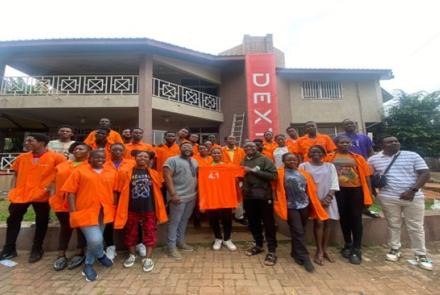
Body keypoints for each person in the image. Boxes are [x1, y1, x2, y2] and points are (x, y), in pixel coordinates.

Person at [368, 136, 432, 271]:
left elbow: (425, 173)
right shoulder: (373, 159)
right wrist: (374, 193)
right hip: (388, 198)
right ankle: (394, 248)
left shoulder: (412, 155)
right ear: (382, 145)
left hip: (413, 197)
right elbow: (370, 177)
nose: (394, 143)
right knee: (393, 224)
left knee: (415, 226)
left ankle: (421, 254)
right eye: (389, 142)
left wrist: (413, 190)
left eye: (396, 141)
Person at [0, 134, 65, 262]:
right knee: (12, 219)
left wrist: (50, 190)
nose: (26, 142)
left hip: (42, 195)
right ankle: (9, 248)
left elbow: (61, 175)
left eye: (30, 140)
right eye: (26, 140)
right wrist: (12, 191)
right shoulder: (22, 157)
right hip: (21, 195)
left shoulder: (57, 157)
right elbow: (16, 175)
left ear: (41, 143)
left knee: (41, 221)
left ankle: (37, 248)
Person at [62, 150, 116, 282]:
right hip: (85, 211)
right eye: (96, 157)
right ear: (89, 158)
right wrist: (74, 212)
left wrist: (112, 205)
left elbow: (114, 191)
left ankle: (88, 265)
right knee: (95, 240)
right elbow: (71, 193)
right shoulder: (80, 171)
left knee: (95, 240)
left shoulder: (111, 172)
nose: (100, 159)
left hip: (104, 211)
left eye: (103, 157)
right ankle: (101, 255)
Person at [274, 153, 329, 272]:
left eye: (294, 159)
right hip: (290, 206)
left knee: (300, 230)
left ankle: (295, 253)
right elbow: (274, 188)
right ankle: (305, 258)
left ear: (298, 161)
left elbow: (311, 189)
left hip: (304, 205)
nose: (292, 162)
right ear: (284, 161)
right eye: (289, 160)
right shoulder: (279, 173)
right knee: (298, 231)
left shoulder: (304, 173)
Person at [114, 150, 167, 272]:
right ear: (135, 158)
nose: (142, 158)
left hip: (149, 209)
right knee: (130, 233)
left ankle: (148, 258)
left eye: (145, 156)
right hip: (131, 208)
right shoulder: (125, 172)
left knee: (150, 232)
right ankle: (132, 255)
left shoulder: (154, 173)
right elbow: (118, 190)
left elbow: (159, 191)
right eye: (139, 156)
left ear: (149, 160)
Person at [326, 135, 373, 265]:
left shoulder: (358, 158)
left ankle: (357, 249)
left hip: (356, 190)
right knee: (343, 217)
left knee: (356, 218)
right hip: (338, 191)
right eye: (342, 142)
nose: (345, 144)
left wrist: (369, 192)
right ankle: (347, 244)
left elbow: (367, 176)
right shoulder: (330, 157)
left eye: (347, 142)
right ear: (337, 144)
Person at [50, 142, 89, 271]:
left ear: (87, 152)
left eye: (81, 148)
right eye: (76, 148)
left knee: (80, 228)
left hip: (81, 204)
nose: (77, 150)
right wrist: (52, 198)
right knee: (65, 228)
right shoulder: (61, 166)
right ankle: (61, 254)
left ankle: (79, 252)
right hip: (61, 204)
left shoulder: (90, 166)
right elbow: (53, 183)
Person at [299, 145, 340, 266]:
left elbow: (334, 182)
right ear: (309, 154)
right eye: (313, 151)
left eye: (319, 151)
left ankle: (325, 249)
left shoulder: (330, 166)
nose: (316, 153)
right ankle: (319, 250)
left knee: (327, 223)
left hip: (328, 198)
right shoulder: (303, 166)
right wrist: (314, 199)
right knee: (318, 222)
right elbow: (301, 183)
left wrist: (328, 197)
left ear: (323, 154)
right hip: (311, 198)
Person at [241, 141, 278, 266]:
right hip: (248, 196)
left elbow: (274, 176)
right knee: (253, 222)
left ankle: (272, 250)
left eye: (251, 146)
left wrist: (252, 170)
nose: (249, 148)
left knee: (268, 223)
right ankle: (258, 244)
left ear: (256, 147)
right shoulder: (243, 160)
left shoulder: (264, 159)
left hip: (264, 196)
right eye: (246, 146)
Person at [199, 147, 242, 251]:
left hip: (226, 198)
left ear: (222, 154)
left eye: (218, 153)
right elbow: (202, 184)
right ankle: (218, 238)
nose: (216, 154)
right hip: (212, 198)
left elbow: (242, 172)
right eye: (214, 153)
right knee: (213, 220)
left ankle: (227, 239)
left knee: (227, 219)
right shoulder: (205, 168)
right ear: (211, 154)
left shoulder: (229, 167)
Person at [336, 119, 378, 218]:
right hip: (347, 167)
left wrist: (371, 164)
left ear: (355, 125)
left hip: (363, 166)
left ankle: (366, 208)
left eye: (351, 123)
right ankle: (348, 209)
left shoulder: (364, 137)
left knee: (368, 188)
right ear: (343, 127)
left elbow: (371, 151)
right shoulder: (339, 138)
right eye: (346, 124)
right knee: (352, 189)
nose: (349, 125)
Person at [163, 142, 198, 260]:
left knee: (184, 220)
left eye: (189, 147)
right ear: (180, 148)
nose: (187, 148)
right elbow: (167, 177)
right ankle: (171, 247)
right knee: (174, 222)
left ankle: (180, 242)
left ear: (192, 149)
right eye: (184, 147)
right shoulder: (172, 160)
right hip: (178, 197)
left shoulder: (194, 161)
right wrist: (173, 194)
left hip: (191, 196)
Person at [102, 143, 135, 261]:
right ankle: (110, 247)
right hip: (108, 197)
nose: (117, 151)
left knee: (131, 221)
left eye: (120, 149)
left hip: (128, 197)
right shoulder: (104, 165)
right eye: (114, 149)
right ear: (110, 151)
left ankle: (136, 244)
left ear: (124, 151)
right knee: (109, 222)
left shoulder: (131, 163)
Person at [221, 135, 246, 225]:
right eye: (230, 138)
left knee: (239, 196)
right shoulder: (221, 150)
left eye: (233, 138)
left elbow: (243, 163)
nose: (232, 140)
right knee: (225, 196)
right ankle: (226, 215)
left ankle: (239, 216)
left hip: (238, 177)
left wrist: (242, 176)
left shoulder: (241, 150)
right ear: (226, 140)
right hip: (225, 177)